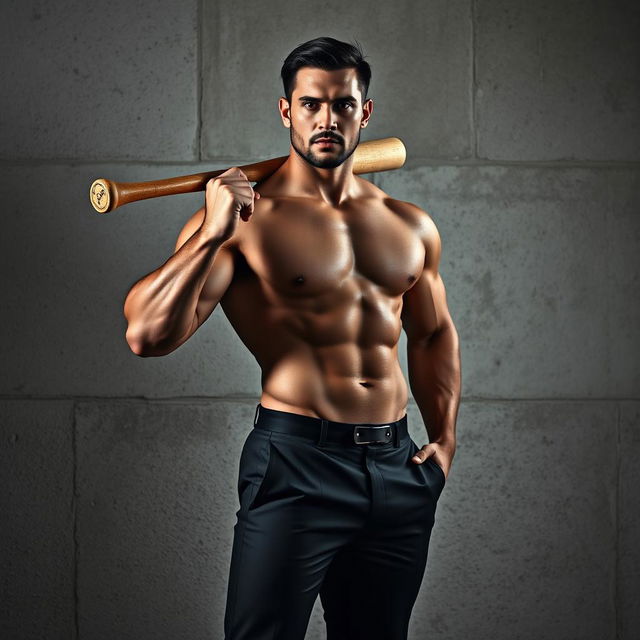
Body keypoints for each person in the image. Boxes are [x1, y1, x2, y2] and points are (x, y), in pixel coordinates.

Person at [123, 35, 461, 640]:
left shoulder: (408, 224)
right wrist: (209, 233)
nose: (326, 119)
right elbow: (147, 335)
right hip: (298, 464)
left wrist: (446, 439)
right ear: (287, 111)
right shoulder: (248, 224)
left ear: (366, 111)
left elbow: (432, 334)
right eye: (310, 104)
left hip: (396, 466)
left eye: (342, 105)